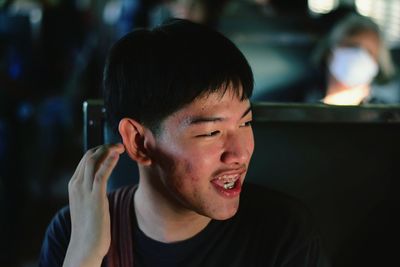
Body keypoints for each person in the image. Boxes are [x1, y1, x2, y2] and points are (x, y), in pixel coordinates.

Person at [39, 18, 324, 266]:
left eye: (245, 123)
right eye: (211, 133)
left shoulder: (281, 231)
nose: (239, 153)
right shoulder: (73, 233)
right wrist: (84, 256)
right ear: (138, 142)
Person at [256, 12, 397, 105]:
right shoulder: (287, 101)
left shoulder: (386, 115)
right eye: (352, 46)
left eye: (369, 52)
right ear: (330, 52)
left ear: (377, 64)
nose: (360, 56)